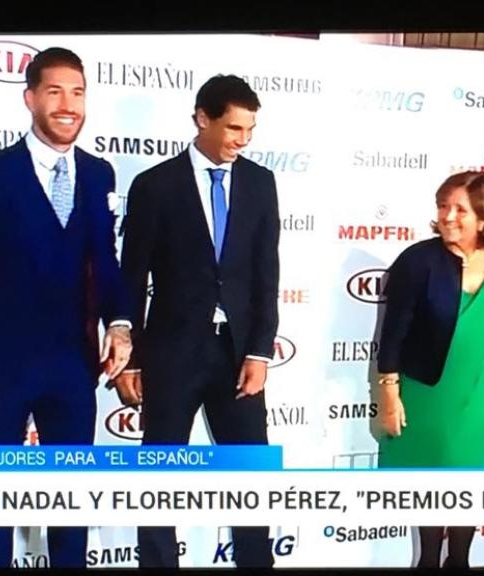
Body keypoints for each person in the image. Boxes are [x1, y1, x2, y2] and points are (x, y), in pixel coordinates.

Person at [0, 47, 132, 568]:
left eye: (78, 92)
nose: (69, 104)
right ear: (30, 99)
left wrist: (120, 322)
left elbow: (105, 262)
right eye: (55, 91)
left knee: (70, 505)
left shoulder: (98, 173)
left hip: (73, 366)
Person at [114, 74, 280, 568]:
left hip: (238, 353)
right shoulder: (154, 185)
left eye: (249, 130)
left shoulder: (260, 182)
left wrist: (259, 350)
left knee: (249, 473)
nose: (242, 141)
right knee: (161, 475)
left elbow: (266, 271)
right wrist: (131, 360)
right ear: (202, 119)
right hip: (171, 353)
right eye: (233, 128)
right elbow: (132, 274)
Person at [376, 170, 484, 568]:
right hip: (426, 394)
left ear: (483, 217)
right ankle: (429, 559)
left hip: (478, 394)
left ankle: (459, 559)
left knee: (468, 483)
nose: (447, 216)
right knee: (432, 483)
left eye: (459, 209)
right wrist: (389, 395)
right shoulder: (418, 261)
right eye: (443, 206)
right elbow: (392, 335)